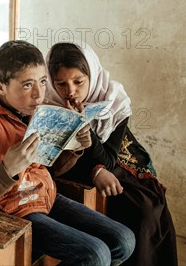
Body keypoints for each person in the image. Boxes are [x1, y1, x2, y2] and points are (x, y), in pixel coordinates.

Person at [0, 40, 135, 265]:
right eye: (27, 85)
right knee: (95, 255)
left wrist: (74, 147)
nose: (39, 95)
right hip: (9, 208)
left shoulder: (30, 111)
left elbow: (49, 167)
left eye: (43, 81)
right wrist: (8, 169)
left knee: (124, 240)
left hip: (43, 194)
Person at [45, 41, 177, 266]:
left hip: (116, 157)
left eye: (78, 82)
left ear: (92, 75)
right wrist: (94, 171)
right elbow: (54, 161)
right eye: (61, 84)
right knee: (141, 212)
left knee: (152, 203)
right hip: (80, 168)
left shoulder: (113, 101)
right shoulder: (49, 106)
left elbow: (107, 158)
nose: (71, 91)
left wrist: (85, 126)